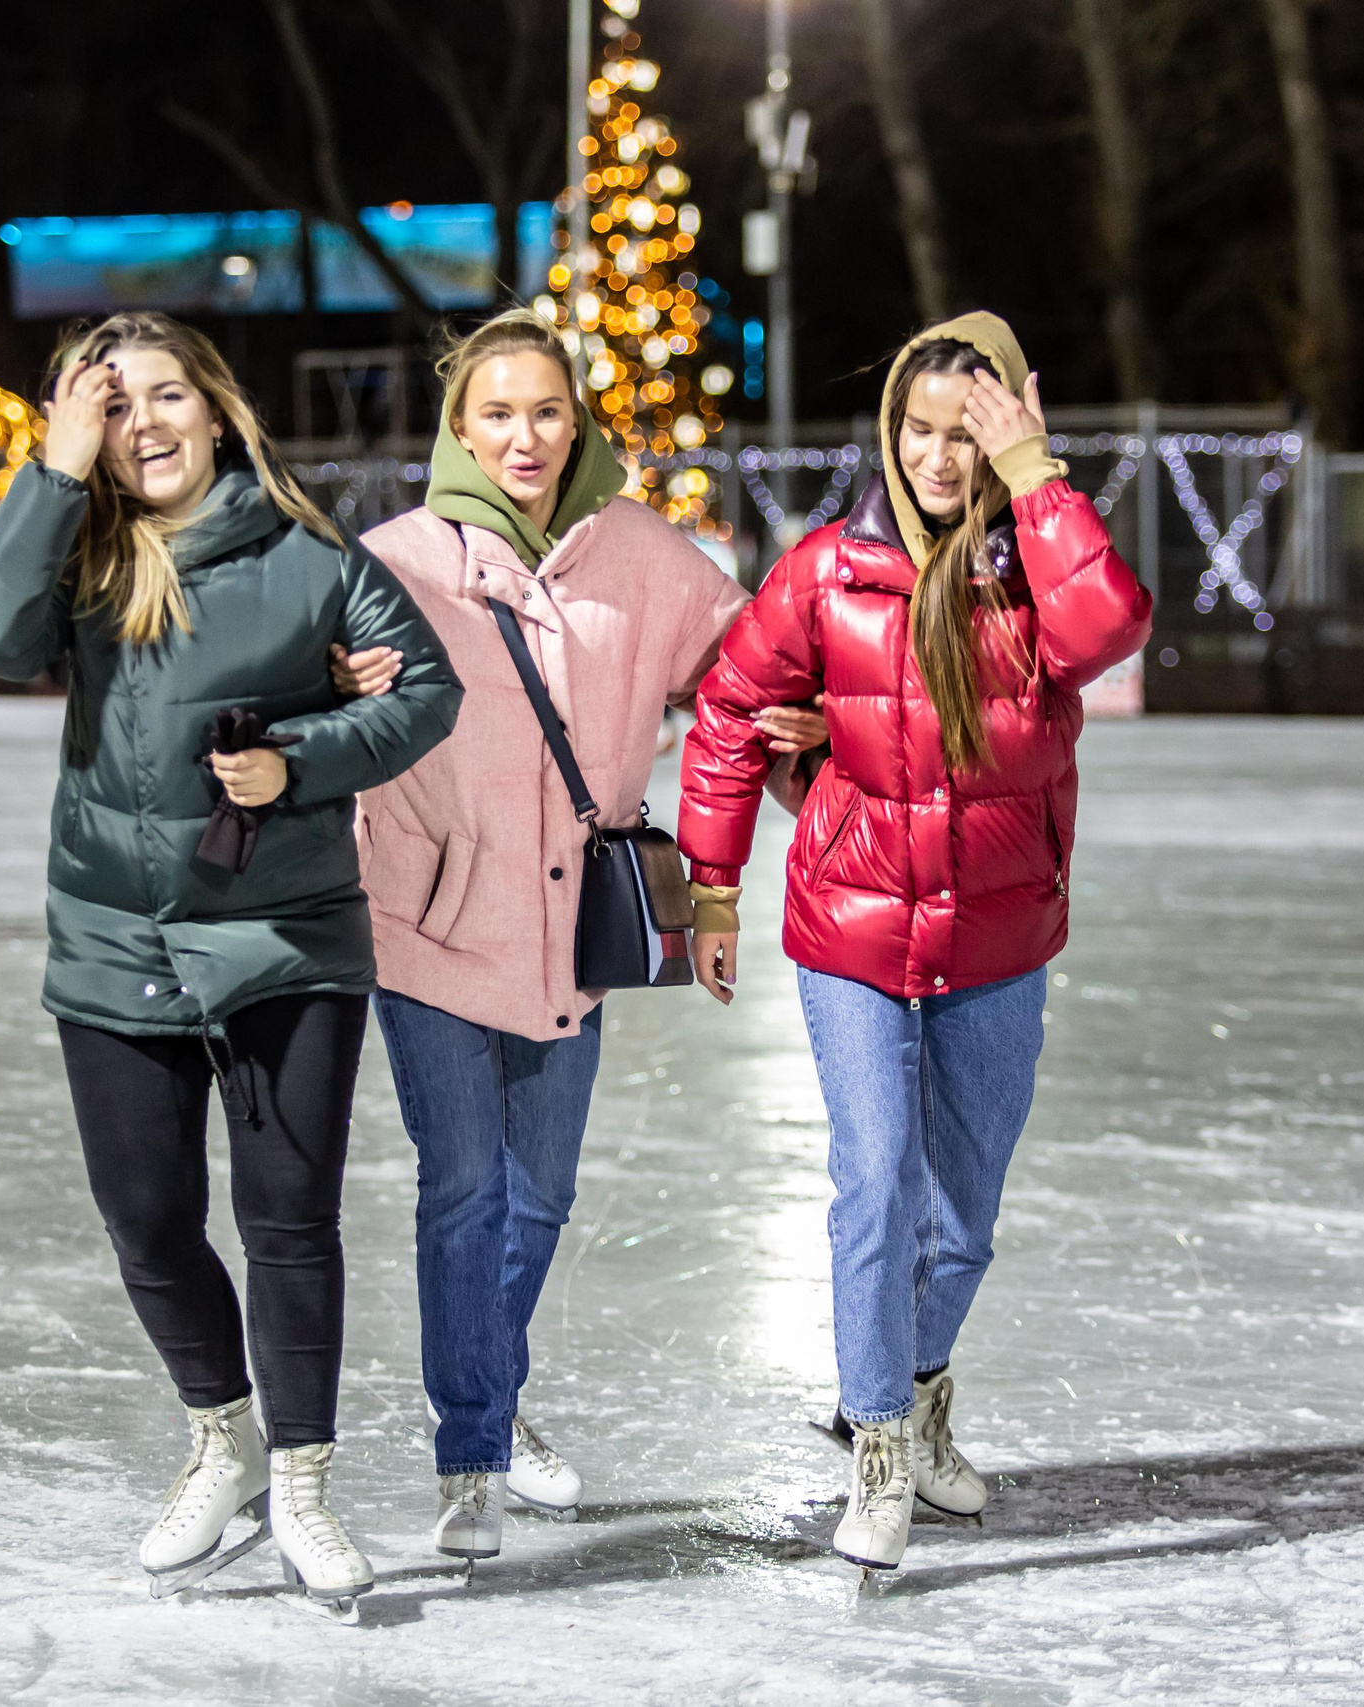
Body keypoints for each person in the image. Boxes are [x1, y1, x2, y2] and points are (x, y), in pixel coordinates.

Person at [0, 311, 460, 1619]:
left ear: (219, 409)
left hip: (286, 937)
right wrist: (53, 475)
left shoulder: (307, 555)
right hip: (115, 935)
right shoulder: (81, 553)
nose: (147, 425)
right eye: (115, 408)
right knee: (150, 1223)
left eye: (168, 396)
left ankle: (302, 1479)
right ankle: (222, 1435)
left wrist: (302, 760)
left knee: (289, 1222)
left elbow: (424, 693)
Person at [330, 308, 827, 1565]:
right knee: (467, 1188)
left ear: (580, 418)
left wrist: (813, 750)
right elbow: (310, 701)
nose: (524, 436)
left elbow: (743, 681)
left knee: (539, 1197)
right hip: (429, 918)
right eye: (495, 412)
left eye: (546, 410)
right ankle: (470, 1453)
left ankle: (488, 1398)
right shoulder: (395, 561)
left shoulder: (647, 559)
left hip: (573, 933)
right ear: (458, 426)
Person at [677, 314, 1152, 1577]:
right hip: (853, 929)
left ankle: (920, 1382)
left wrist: (1038, 472)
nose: (937, 456)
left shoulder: (1033, 577)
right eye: (918, 428)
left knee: (965, 1216)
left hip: (998, 937)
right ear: (885, 431)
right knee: (875, 1182)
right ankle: (878, 1441)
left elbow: (1109, 632)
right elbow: (727, 709)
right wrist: (711, 887)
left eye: (966, 431)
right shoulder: (826, 571)